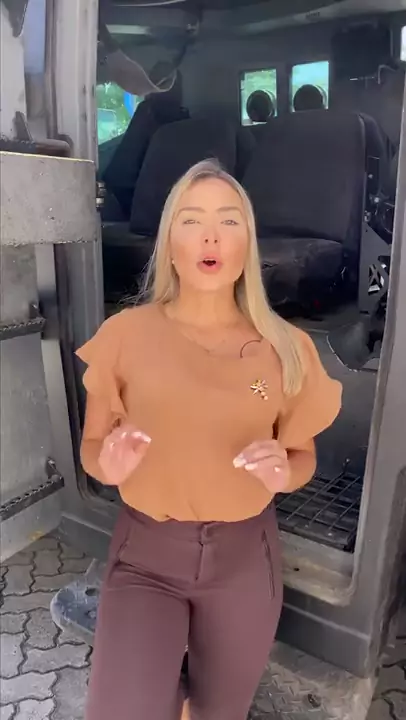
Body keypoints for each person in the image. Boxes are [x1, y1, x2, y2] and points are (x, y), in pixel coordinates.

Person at [77, 159, 342, 720]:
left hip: (246, 559)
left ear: (247, 243)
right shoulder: (125, 335)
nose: (211, 236)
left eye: (229, 220)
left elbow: (302, 457)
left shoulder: (286, 347)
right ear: (170, 244)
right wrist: (108, 465)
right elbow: (93, 449)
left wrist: (283, 472)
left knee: (219, 710)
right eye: (192, 220)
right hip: (146, 557)